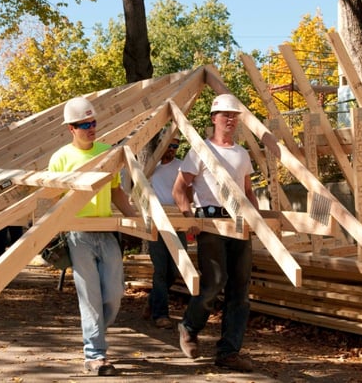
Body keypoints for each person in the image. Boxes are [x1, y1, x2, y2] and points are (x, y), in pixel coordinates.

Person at [48, 96, 137, 376]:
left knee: (114, 294)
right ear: (70, 129)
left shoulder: (108, 152)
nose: (91, 127)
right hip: (78, 235)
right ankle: (95, 355)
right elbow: (53, 198)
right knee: (89, 298)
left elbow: (115, 191)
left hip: (106, 231)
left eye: (93, 122)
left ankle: (96, 334)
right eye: (84, 124)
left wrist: (136, 219)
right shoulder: (61, 158)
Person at [172, 94, 259, 372]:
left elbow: (247, 192)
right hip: (209, 223)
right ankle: (189, 326)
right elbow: (179, 189)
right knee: (215, 281)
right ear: (214, 119)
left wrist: (256, 221)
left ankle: (228, 353)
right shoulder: (200, 151)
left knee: (240, 290)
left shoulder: (242, 154)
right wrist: (189, 218)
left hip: (239, 224)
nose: (230, 119)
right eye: (225, 115)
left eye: (234, 115)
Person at [143, 133, 188, 329]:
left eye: (176, 146)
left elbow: (189, 192)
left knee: (176, 270)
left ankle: (153, 301)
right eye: (169, 145)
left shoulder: (181, 166)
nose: (172, 149)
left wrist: (189, 217)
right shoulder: (150, 168)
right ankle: (160, 314)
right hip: (156, 224)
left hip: (177, 224)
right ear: (161, 145)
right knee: (160, 270)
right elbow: (133, 188)